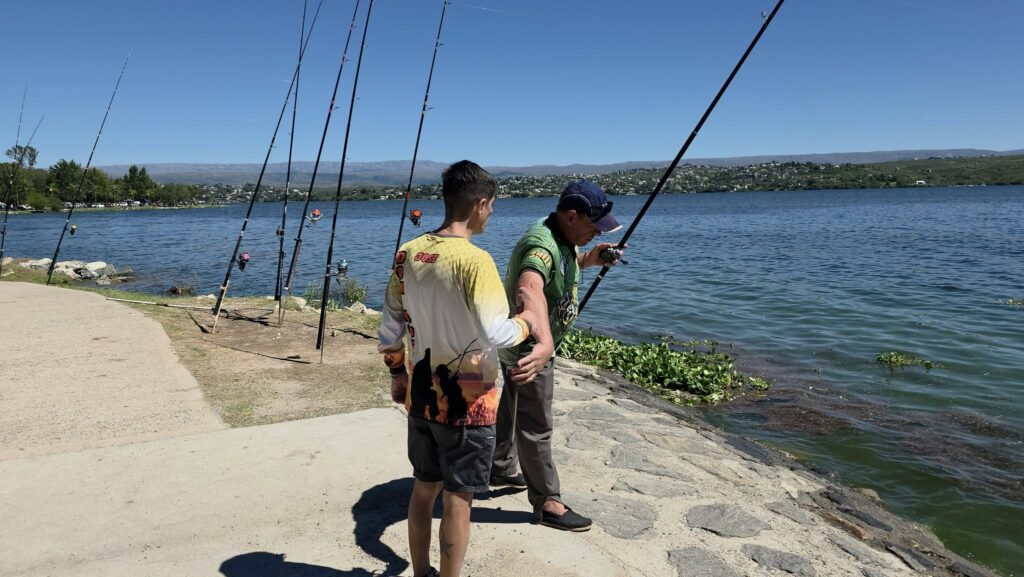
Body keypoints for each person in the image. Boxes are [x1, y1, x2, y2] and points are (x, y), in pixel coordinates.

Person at [378, 160, 538, 577]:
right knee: (458, 498)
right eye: (491, 207)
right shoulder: (476, 261)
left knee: (423, 488)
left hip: (421, 396)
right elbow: (494, 332)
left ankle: (421, 572)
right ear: (481, 204)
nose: (491, 214)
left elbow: (391, 325)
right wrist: (527, 322)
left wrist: (397, 373)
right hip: (470, 403)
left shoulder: (408, 253)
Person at [492, 180, 625, 532]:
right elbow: (529, 287)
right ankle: (547, 502)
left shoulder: (558, 234)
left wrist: (592, 258)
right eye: (594, 225)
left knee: (512, 405)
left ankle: (500, 466)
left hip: (517, 344)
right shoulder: (541, 246)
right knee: (536, 424)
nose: (598, 232)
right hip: (531, 349)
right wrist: (545, 342)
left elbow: (566, 265)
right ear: (572, 216)